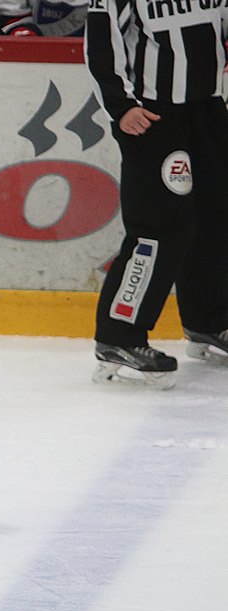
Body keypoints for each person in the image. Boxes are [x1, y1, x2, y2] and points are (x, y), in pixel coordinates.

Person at [85, 0, 228, 386]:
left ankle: (209, 321)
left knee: (215, 216)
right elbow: (101, 43)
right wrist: (121, 106)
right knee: (161, 227)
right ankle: (119, 335)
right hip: (151, 116)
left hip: (207, 108)